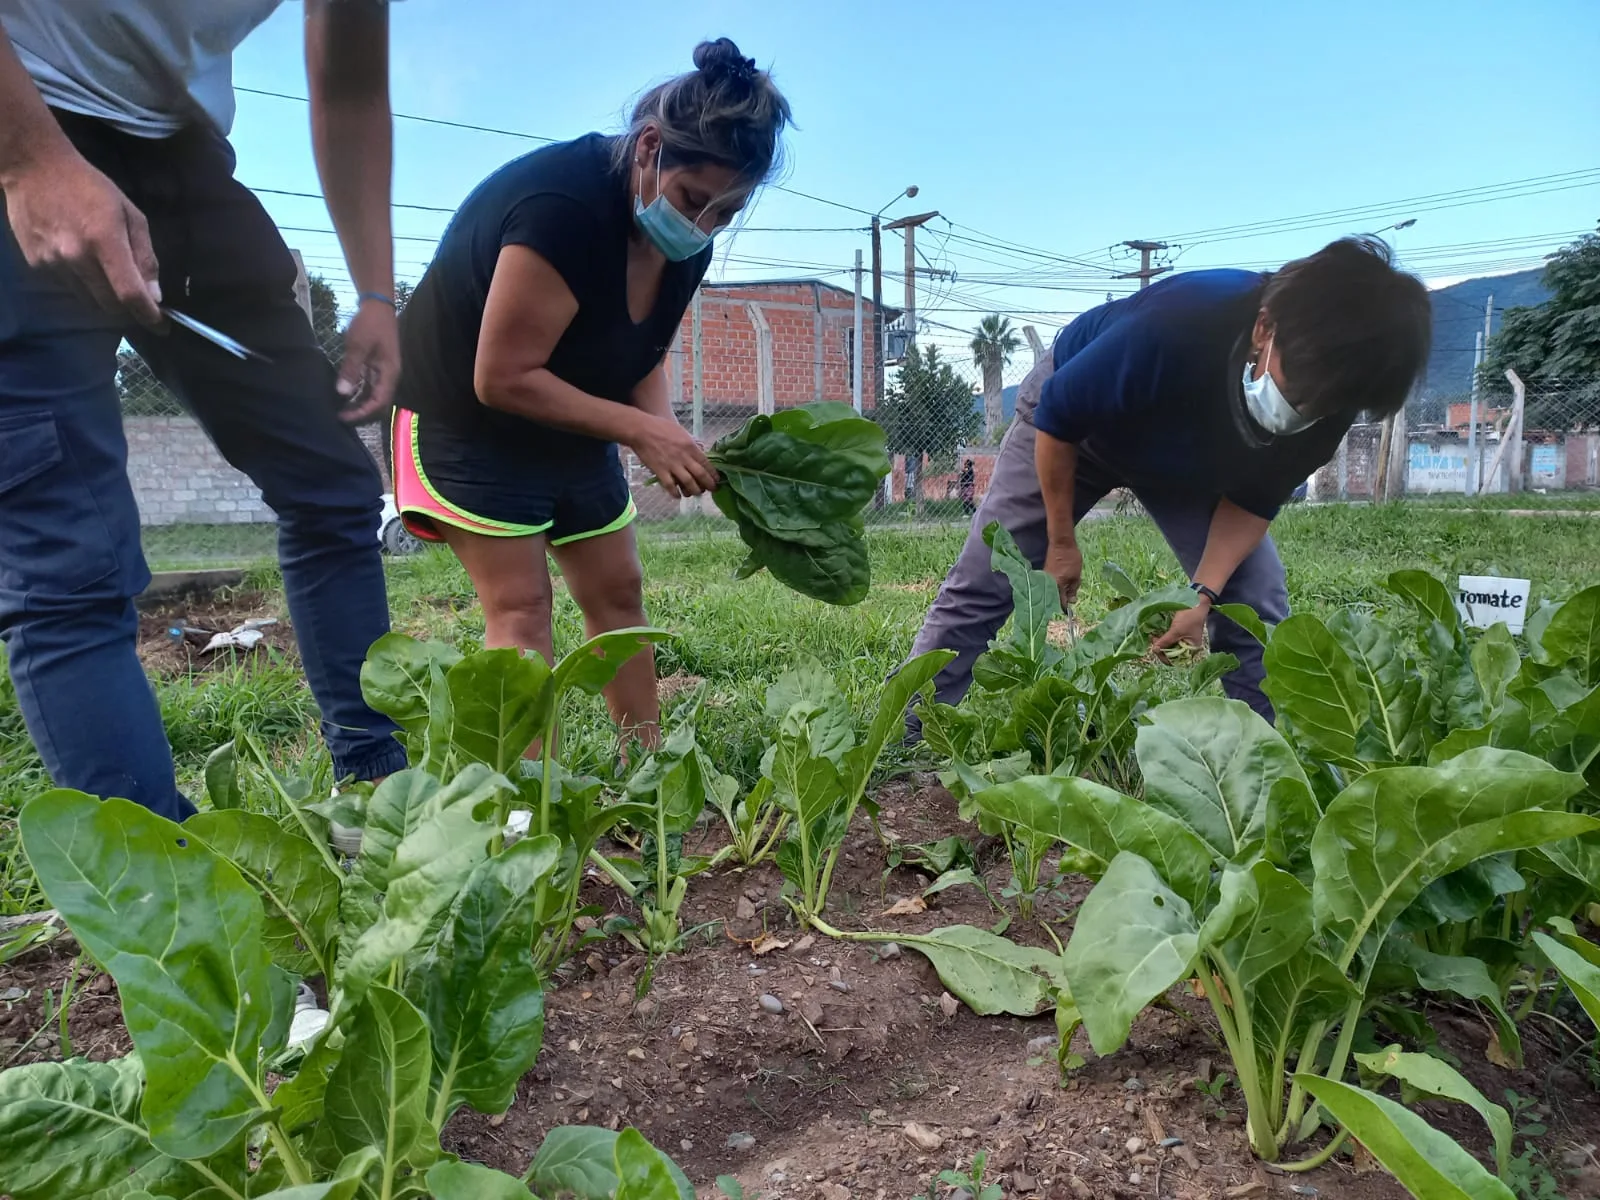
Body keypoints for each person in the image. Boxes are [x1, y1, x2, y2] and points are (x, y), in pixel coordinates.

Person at [0, 1, 407, 823]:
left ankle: (377, 805)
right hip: (25, 106)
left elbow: (354, 83)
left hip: (184, 161)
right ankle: (177, 919)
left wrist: (373, 294)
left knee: (332, 484)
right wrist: (30, 159)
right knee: (71, 559)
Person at [392, 38, 792, 750]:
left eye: (722, 217)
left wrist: (665, 427)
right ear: (648, 149)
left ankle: (645, 773)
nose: (702, 228)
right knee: (521, 608)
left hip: (571, 418)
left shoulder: (682, 246)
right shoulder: (562, 208)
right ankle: (522, 815)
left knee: (617, 594)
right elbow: (502, 376)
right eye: (694, 200)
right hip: (465, 415)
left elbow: (642, 350)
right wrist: (638, 433)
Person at [904, 237, 1431, 730]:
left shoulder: (1333, 400)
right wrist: (1061, 540)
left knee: (1255, 599)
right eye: (1303, 387)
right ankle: (905, 731)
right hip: (1077, 432)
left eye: (1328, 402)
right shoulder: (1184, 319)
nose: (1306, 409)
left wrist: (1200, 595)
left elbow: (1252, 500)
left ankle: (1266, 756)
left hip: (1189, 463)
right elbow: (1060, 418)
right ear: (1265, 329)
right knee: (988, 574)